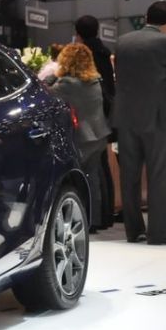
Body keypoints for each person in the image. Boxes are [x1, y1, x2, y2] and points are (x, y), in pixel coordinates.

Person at [112, 0, 166, 245]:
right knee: (160, 175)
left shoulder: (123, 41)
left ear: (145, 17)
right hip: (160, 117)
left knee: (129, 176)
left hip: (126, 116)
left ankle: (134, 231)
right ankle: (158, 233)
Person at [47, 43, 112, 232]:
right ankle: (94, 220)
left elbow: (45, 92)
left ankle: (80, 220)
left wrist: (53, 75)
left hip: (81, 137)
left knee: (76, 181)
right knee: (93, 179)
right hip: (99, 135)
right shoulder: (95, 81)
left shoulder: (67, 84)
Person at [73, 16, 117, 229]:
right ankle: (106, 214)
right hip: (104, 115)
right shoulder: (105, 52)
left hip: (89, 120)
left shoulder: (83, 54)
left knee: (94, 171)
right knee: (102, 168)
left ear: (78, 33)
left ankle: (95, 217)